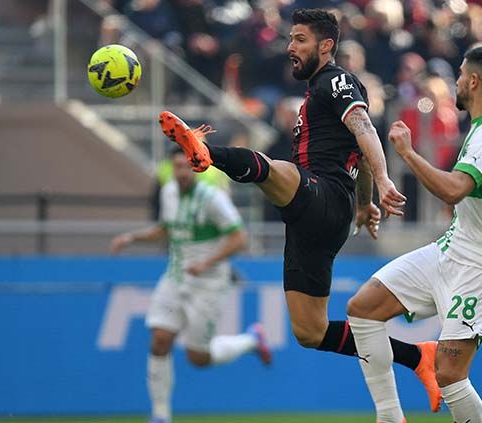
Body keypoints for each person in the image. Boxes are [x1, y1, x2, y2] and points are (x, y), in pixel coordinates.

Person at [158, 8, 442, 413]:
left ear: (326, 46)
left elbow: (365, 130)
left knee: (276, 171)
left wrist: (382, 181)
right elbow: (356, 154)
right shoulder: (314, 94)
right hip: (317, 218)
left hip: (323, 196)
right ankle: (418, 357)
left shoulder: (337, 79)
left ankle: (206, 151)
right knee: (310, 331)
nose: (291, 47)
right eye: (290, 39)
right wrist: (364, 206)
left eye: (301, 40)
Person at [346, 46, 482, 423]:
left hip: (481, 268)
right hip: (452, 249)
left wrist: (407, 153)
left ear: (473, 80)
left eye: (459, 75)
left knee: (450, 375)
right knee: (363, 309)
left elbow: (453, 190)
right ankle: (390, 417)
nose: (455, 82)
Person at [110, 148, 272, 423]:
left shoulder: (213, 199)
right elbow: (166, 229)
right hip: (174, 277)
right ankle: (160, 415)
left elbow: (239, 239)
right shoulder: (169, 192)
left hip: (208, 283)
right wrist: (132, 238)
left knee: (198, 357)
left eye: (186, 167)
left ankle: (251, 340)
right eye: (176, 167)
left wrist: (207, 263)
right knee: (160, 339)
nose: (181, 172)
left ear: (197, 168)